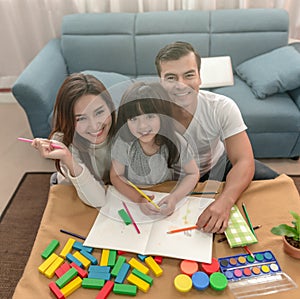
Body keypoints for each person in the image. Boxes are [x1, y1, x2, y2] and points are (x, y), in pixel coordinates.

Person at [155, 41, 278, 232]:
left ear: (200, 78)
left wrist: (225, 202)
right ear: (161, 82)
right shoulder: (149, 113)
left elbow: (243, 159)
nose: (181, 85)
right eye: (171, 77)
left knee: (274, 182)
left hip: (216, 164)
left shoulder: (221, 107)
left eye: (189, 75)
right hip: (172, 174)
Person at [110, 81, 200, 216]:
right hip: (134, 198)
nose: (142, 126)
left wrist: (174, 197)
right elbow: (116, 176)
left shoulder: (175, 141)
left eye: (150, 116)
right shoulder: (124, 143)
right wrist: (139, 199)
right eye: (134, 119)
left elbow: (193, 174)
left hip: (164, 192)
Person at [32, 73, 116, 208]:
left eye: (99, 112)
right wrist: (67, 158)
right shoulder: (64, 142)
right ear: (69, 121)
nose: (95, 126)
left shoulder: (121, 128)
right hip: (77, 190)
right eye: (81, 118)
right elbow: (98, 200)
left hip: (106, 187)